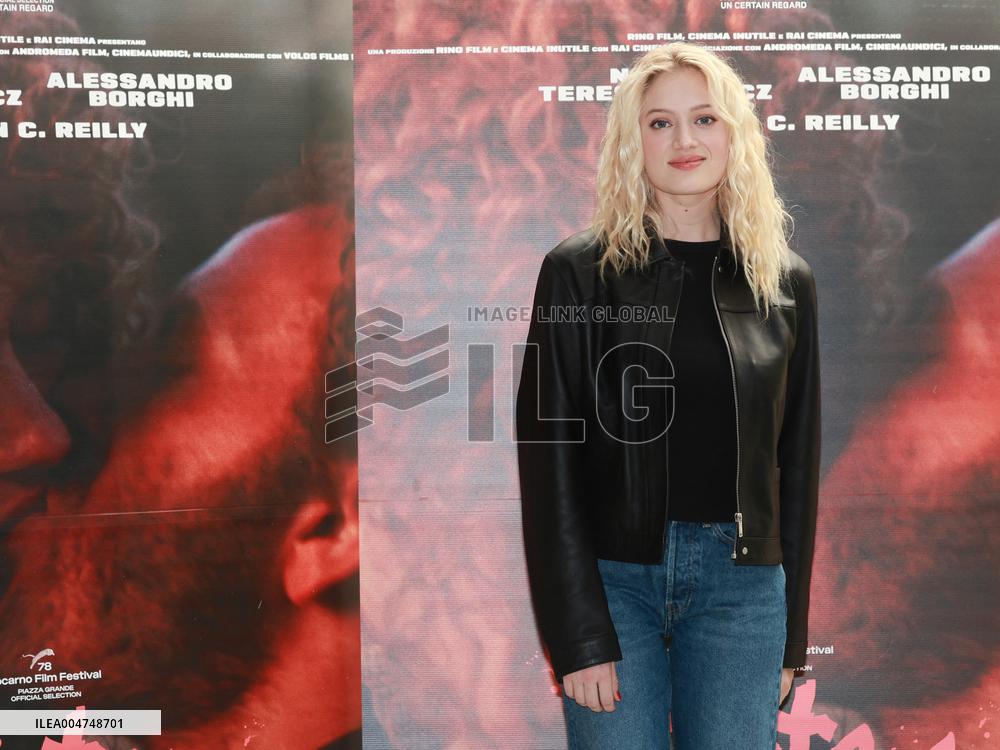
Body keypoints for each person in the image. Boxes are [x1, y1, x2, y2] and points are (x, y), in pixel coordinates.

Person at [515, 42, 821, 749]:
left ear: (733, 135)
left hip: (742, 593)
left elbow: (796, 469)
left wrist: (790, 637)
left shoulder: (786, 283)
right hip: (614, 584)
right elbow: (549, 465)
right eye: (660, 123)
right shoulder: (578, 274)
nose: (684, 140)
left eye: (704, 119)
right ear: (633, 142)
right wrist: (579, 630)